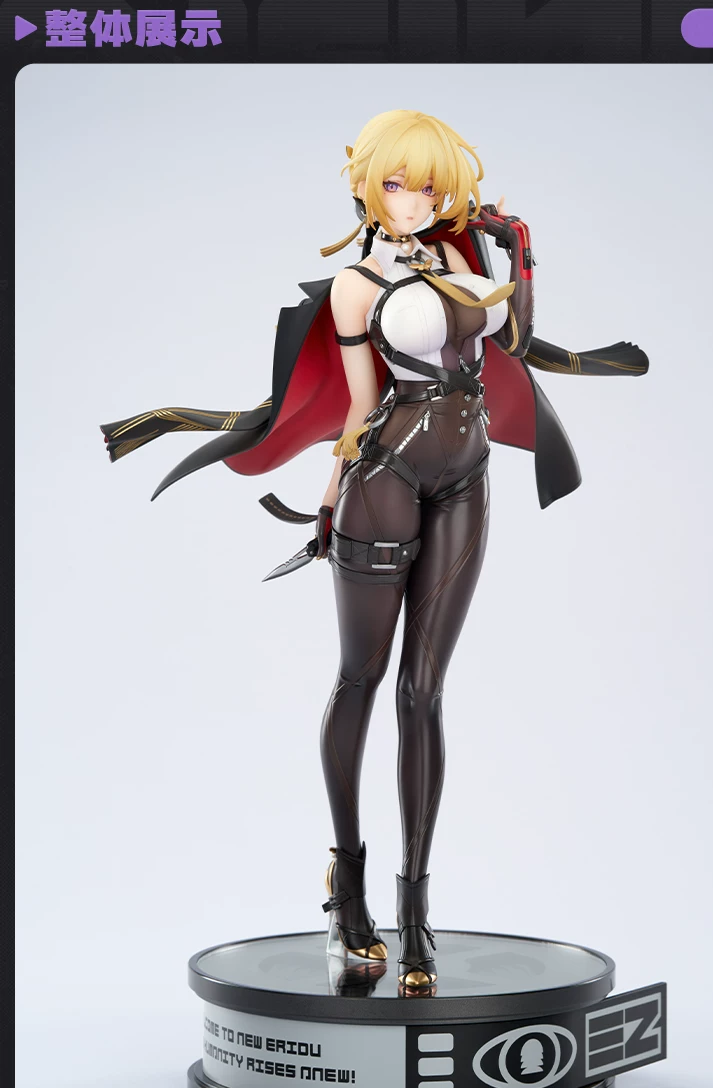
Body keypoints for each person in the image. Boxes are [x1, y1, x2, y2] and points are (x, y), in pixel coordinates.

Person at [101, 109, 648, 994]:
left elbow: (510, 342)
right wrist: (328, 501)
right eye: (397, 183)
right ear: (367, 187)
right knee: (362, 677)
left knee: (424, 692)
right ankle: (348, 886)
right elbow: (360, 406)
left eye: (430, 185)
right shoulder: (357, 286)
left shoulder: (461, 259)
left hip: (466, 481)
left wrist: (521, 255)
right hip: (383, 475)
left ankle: (416, 908)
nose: (415, 199)